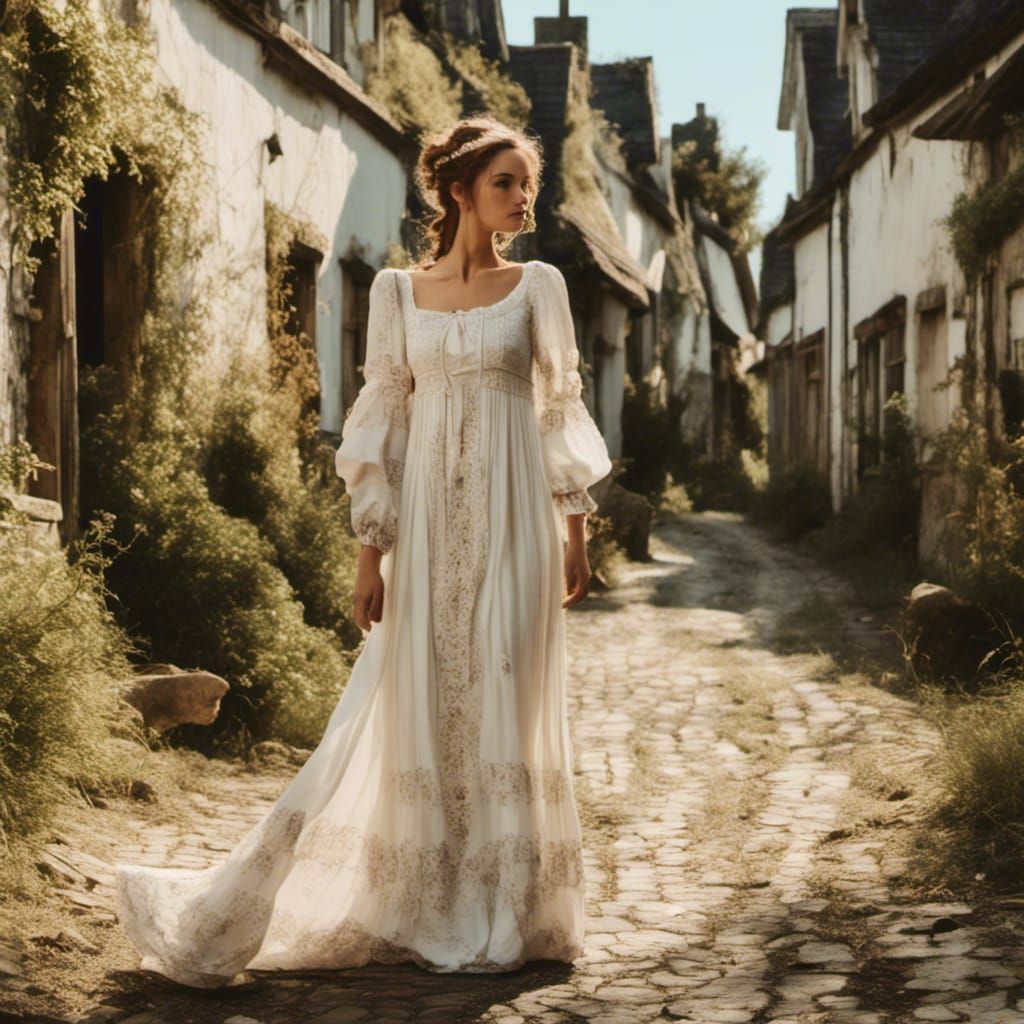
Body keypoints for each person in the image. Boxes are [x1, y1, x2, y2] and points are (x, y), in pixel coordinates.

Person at [114, 114, 613, 986]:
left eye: (526, 183)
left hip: (518, 523)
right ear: (459, 191)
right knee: (418, 698)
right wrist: (369, 556)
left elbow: (557, 411)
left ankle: (508, 906)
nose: (522, 197)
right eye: (505, 181)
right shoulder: (392, 294)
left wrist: (576, 532)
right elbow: (380, 427)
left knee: (503, 690)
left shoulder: (541, 286)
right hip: (425, 527)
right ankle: (423, 899)